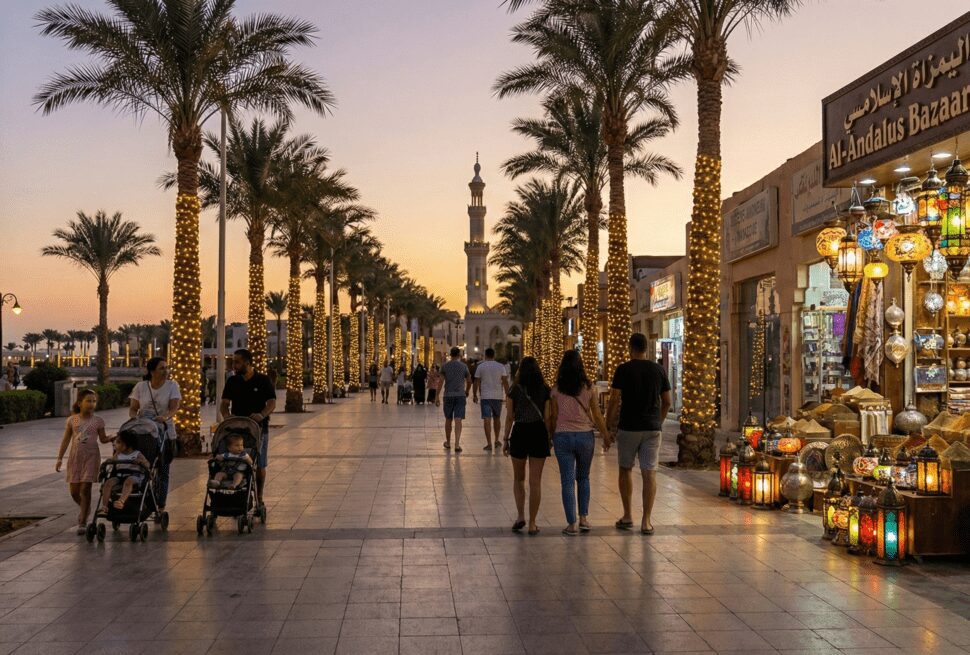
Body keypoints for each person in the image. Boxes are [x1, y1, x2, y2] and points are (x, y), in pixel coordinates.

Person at [607, 333, 672, 535]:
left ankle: (628, 516)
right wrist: (658, 422)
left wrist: (609, 425)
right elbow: (668, 401)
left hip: (629, 428)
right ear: (646, 348)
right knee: (649, 472)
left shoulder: (623, 369)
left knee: (625, 469)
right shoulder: (659, 369)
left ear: (630, 348)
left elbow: (614, 399)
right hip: (652, 428)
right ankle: (646, 521)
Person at [547, 349, 610, 536]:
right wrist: (606, 435)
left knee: (567, 481)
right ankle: (583, 519)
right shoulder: (589, 388)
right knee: (583, 478)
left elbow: (553, 415)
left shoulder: (556, 389)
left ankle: (571, 524)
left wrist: (551, 436)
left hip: (563, 436)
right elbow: (597, 415)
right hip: (585, 436)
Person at [220, 349, 276, 509]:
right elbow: (224, 404)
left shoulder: (263, 380)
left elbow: (272, 403)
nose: (234, 365)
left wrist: (261, 415)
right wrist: (227, 416)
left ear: (247, 362)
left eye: (237, 362)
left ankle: (259, 496)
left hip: (258, 429)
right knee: (235, 459)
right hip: (237, 429)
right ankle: (238, 493)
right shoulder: (232, 381)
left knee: (260, 464)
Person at [501, 356, 550, 535]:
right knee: (535, 481)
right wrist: (549, 437)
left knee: (518, 479)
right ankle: (532, 523)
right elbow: (547, 417)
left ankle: (521, 516)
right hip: (538, 433)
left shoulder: (514, 390)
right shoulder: (545, 389)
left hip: (520, 432)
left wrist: (505, 439)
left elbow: (509, 417)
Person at [129, 357, 181, 513]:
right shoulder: (141, 386)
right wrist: (134, 418)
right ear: (152, 371)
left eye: (167, 368)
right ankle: (141, 498)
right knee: (142, 466)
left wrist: (165, 417)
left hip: (164, 431)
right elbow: (133, 408)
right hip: (144, 433)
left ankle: (161, 504)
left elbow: (174, 408)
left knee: (163, 470)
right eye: (162, 368)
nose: (166, 371)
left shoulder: (172, 386)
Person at [56, 389, 110, 534]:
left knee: (85, 489)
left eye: (94, 401)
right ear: (80, 403)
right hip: (75, 458)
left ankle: (83, 522)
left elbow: (103, 439)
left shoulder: (98, 421)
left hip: (92, 458)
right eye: (88, 401)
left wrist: (112, 437)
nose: (92, 404)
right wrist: (60, 458)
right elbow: (66, 439)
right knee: (74, 492)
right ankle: (85, 509)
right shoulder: (72, 420)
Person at [96, 431, 151, 514]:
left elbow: (147, 464)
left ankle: (121, 501)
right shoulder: (118, 454)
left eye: (119, 442)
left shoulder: (137, 454)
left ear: (128, 444)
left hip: (134, 475)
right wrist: (108, 461)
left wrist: (140, 462)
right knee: (108, 483)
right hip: (120, 475)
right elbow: (112, 461)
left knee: (128, 481)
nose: (115, 444)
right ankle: (105, 506)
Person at [473, 347, 509, 451]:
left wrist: (474, 394)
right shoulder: (501, 366)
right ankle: (497, 440)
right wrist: (507, 395)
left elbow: (476, 381)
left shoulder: (481, 366)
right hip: (497, 396)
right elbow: (505, 382)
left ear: (485, 355)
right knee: (497, 418)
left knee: (487, 419)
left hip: (485, 397)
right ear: (494, 355)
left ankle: (489, 443)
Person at [437, 347, 471, 452]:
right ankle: (457, 444)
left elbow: (441, 382)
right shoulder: (464, 366)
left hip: (448, 395)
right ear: (459, 355)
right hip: (460, 395)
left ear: (450, 355)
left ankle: (448, 442)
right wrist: (467, 391)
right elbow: (469, 380)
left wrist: (436, 396)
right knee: (458, 419)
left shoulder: (445, 366)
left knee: (448, 419)